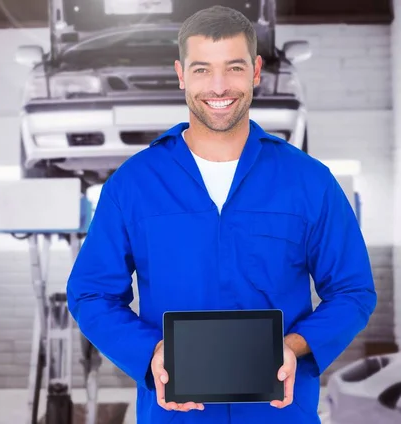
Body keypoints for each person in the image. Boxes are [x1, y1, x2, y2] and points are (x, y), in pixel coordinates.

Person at [66, 5, 377, 424]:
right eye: (201, 69)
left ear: (255, 71)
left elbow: (353, 291)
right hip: (174, 412)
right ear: (180, 74)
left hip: (279, 412)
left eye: (233, 67)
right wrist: (151, 353)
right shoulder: (134, 183)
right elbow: (91, 293)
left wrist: (297, 345)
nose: (218, 86)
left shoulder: (308, 181)